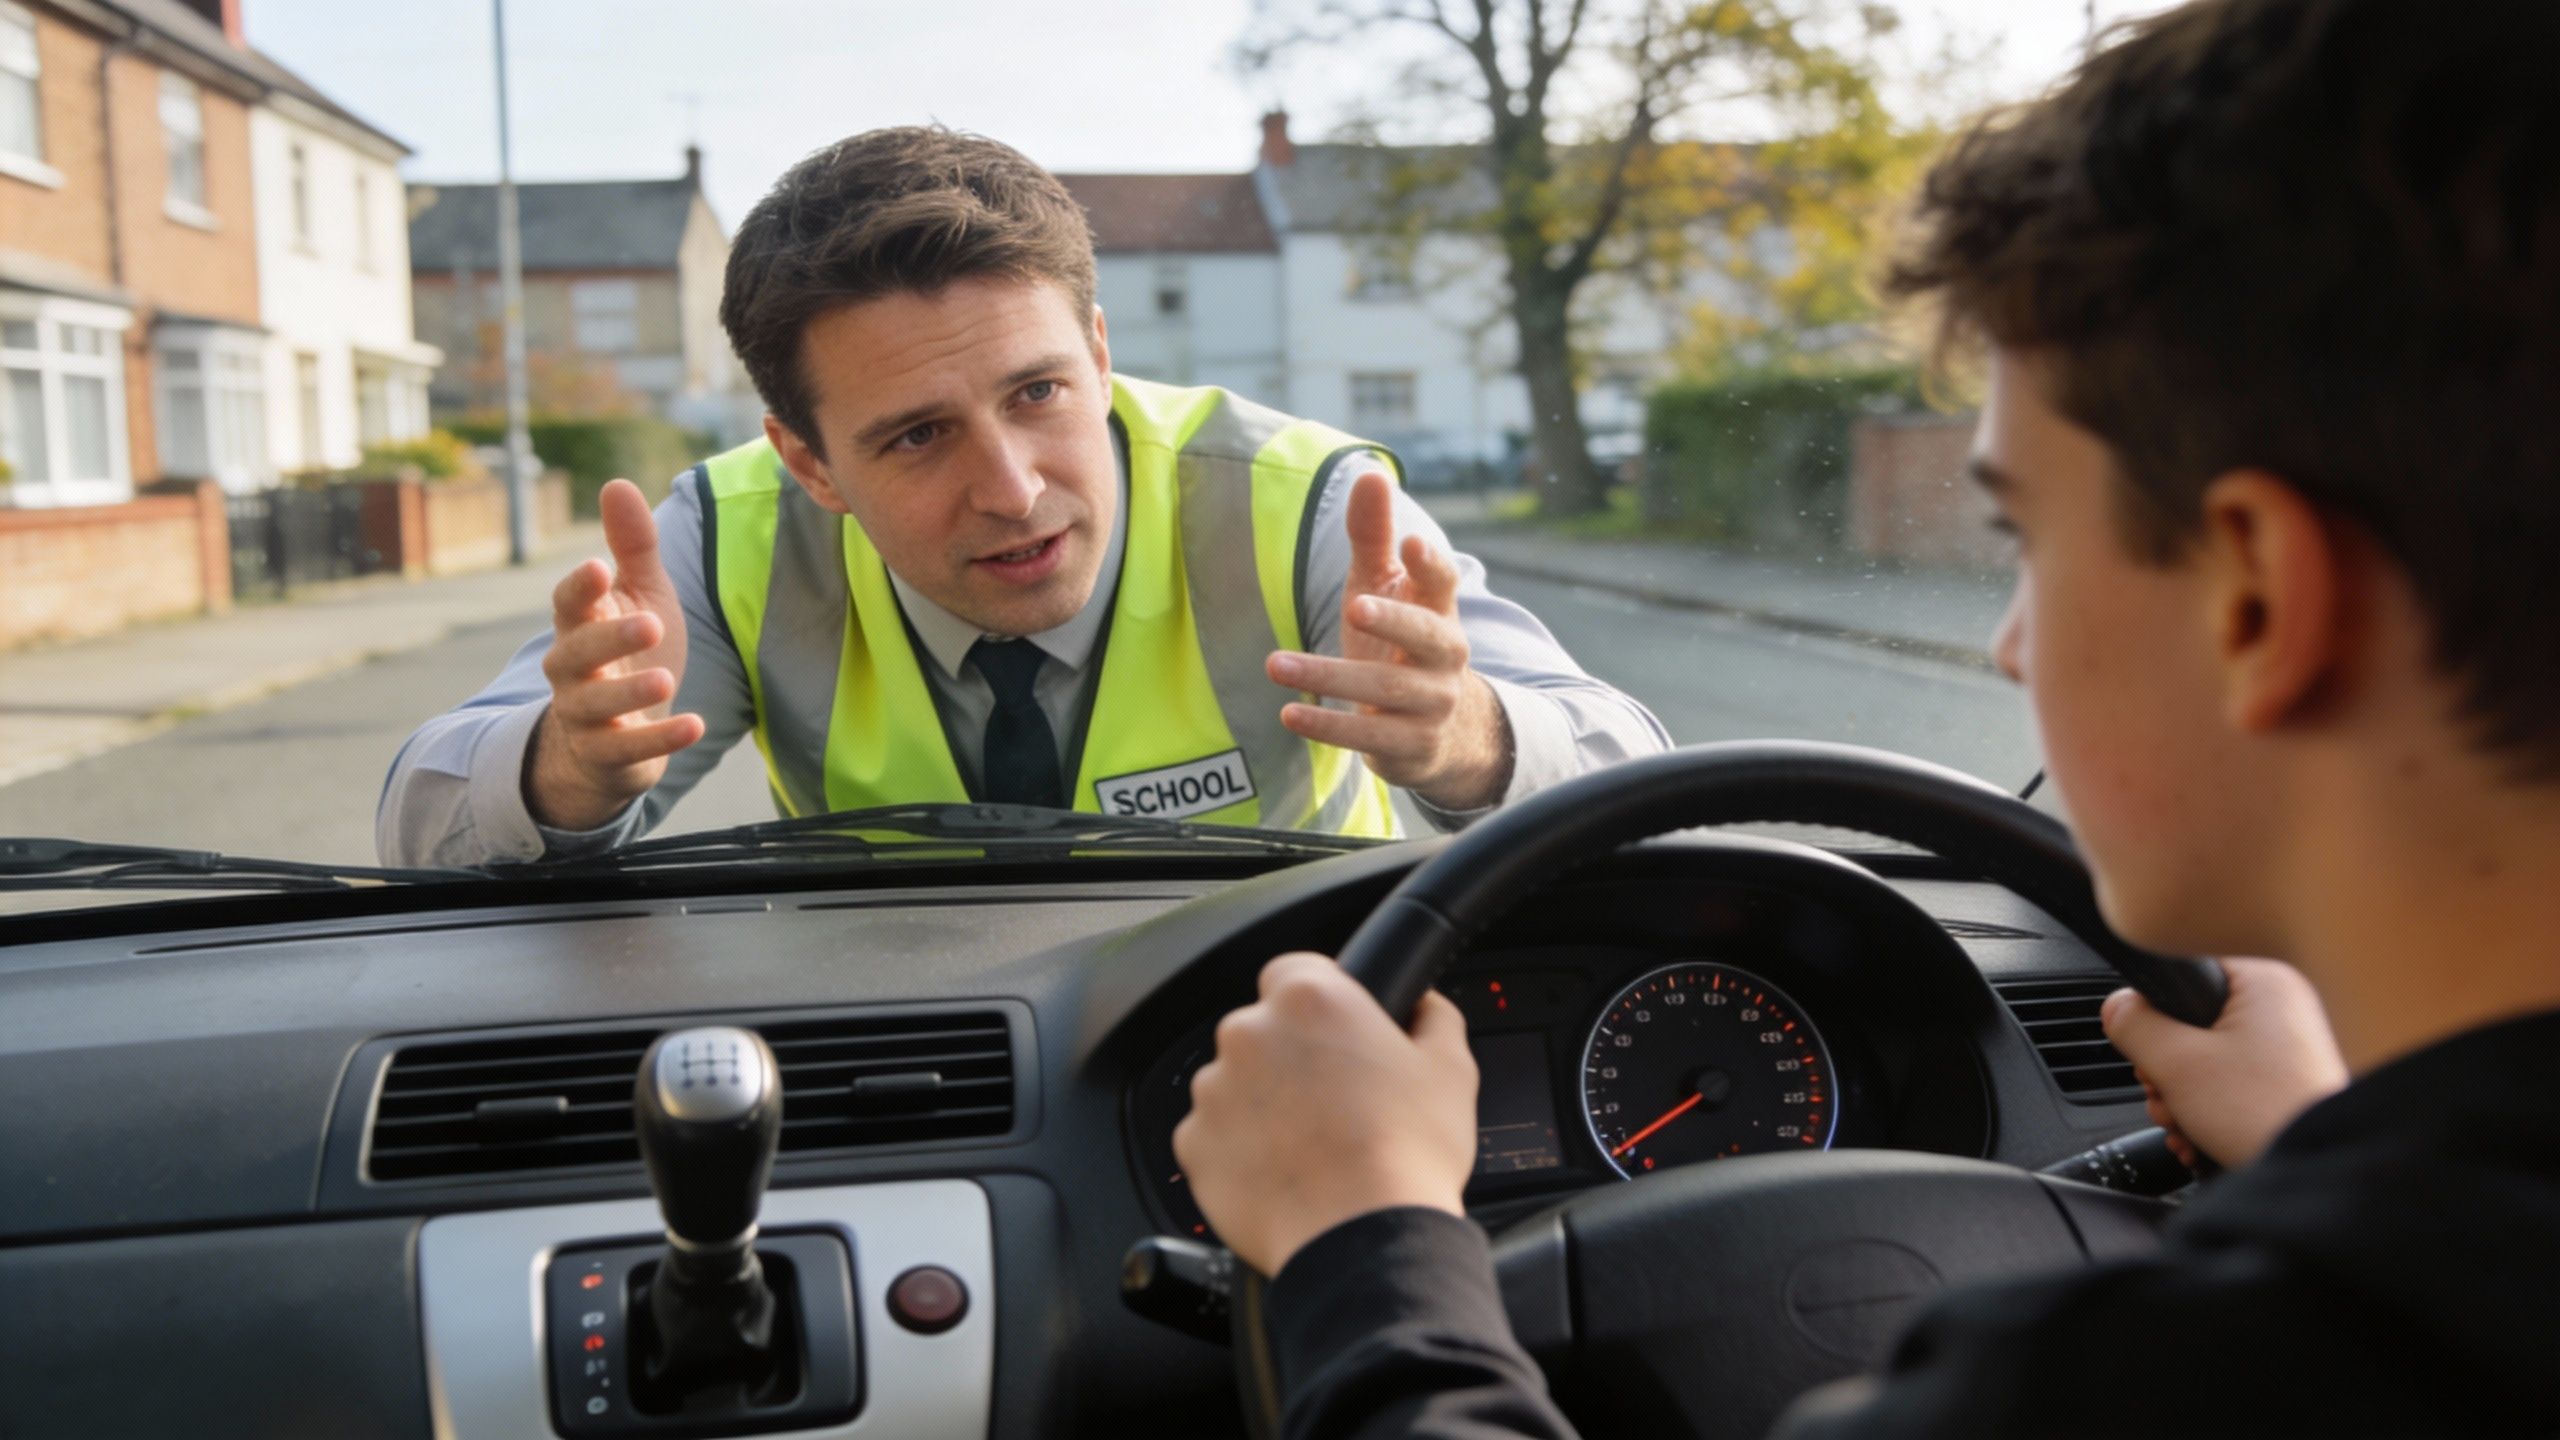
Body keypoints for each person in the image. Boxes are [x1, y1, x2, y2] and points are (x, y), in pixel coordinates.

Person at [1171, 0, 2560, 1434]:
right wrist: (2311, 1150)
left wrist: (1363, 1242)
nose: (2012, 647)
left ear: (2258, 602)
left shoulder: (2133, 1384)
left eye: (2025, 537)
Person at [375, 129, 1667, 868]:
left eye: (1042, 393)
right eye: (919, 436)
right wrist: (564, 770)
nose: (1012, 489)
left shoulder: (1315, 504)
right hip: (905, 1044)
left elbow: (1633, 773)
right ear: (807, 460)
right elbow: (419, 819)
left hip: (1292, 1022)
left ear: (1102, 353)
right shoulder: (722, 539)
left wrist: (1470, 741)